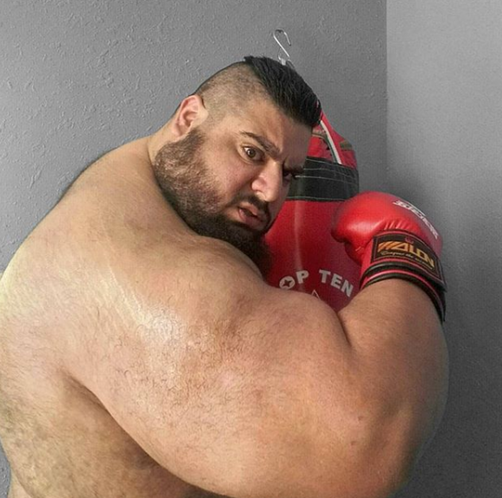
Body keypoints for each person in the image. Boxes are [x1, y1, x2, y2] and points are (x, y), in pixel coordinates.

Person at [0, 56, 448, 498]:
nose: (271, 191)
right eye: (252, 152)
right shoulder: (150, 271)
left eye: (288, 174)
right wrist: (404, 251)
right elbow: (367, 443)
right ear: (188, 117)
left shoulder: (116, 181)